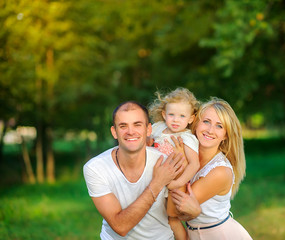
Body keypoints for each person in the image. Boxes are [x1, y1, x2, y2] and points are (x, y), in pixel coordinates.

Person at [83, 101, 185, 240]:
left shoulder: (166, 161)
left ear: (148, 129)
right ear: (114, 132)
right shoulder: (95, 168)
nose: (130, 131)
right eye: (123, 126)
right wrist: (158, 183)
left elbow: (175, 216)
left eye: (137, 124)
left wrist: (194, 210)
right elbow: (120, 226)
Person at [170, 97, 253, 240]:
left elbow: (173, 210)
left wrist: (182, 163)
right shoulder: (188, 152)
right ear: (196, 123)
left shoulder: (220, 172)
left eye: (219, 126)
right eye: (206, 121)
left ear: (225, 135)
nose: (210, 130)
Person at [148, 87, 200, 239]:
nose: (176, 120)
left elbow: (194, 164)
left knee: (172, 218)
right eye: (171, 115)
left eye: (182, 116)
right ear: (164, 115)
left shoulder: (187, 138)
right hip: (156, 180)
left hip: (175, 184)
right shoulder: (158, 128)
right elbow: (145, 141)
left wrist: (178, 183)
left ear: (191, 118)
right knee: (155, 216)